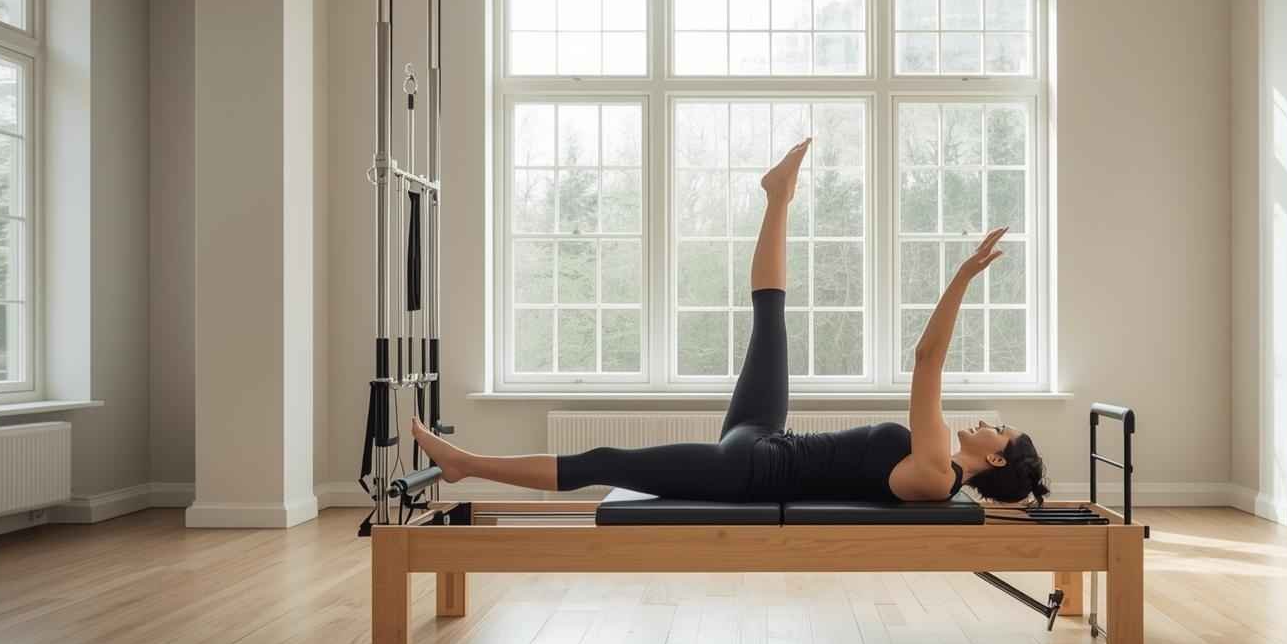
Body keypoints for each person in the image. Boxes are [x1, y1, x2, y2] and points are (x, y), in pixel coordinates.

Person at [413, 139, 1049, 504]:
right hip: (762, 438)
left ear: (995, 459)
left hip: (745, 473)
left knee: (603, 459)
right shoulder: (937, 449)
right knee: (770, 318)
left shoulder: (937, 473)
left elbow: (927, 360)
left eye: (999, 428)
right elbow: (929, 365)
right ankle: (778, 198)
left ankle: (469, 464)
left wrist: (963, 277)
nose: (988, 420)